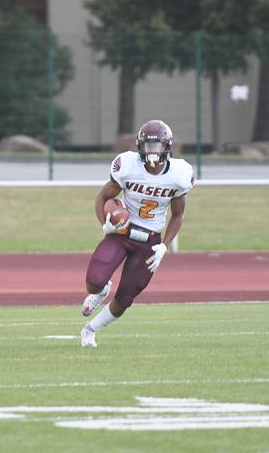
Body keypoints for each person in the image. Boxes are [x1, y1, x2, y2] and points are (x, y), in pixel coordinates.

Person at [80, 119, 194, 347]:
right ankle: (101, 292)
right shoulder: (127, 165)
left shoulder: (179, 174)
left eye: (157, 146)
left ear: (167, 147)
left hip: (150, 241)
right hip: (122, 233)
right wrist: (106, 225)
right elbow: (102, 198)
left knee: (125, 299)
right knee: (93, 282)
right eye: (148, 146)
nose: (152, 151)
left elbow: (178, 215)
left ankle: (90, 330)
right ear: (140, 146)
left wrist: (164, 245)